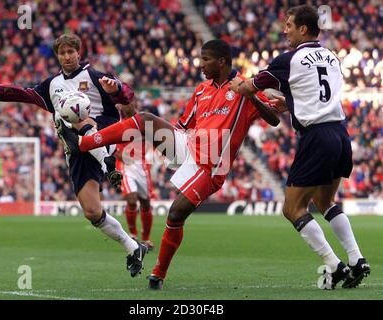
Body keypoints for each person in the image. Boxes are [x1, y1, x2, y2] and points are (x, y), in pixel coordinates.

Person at [58, 39, 283, 290]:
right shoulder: (201, 90)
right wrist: (157, 140)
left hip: (212, 165)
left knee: (176, 214)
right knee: (144, 120)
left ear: (221, 61)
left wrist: (250, 94)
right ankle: (85, 142)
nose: (201, 65)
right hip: (188, 147)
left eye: (206, 59)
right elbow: (182, 127)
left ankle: (157, 274)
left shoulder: (244, 86)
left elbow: (274, 119)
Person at [0, 34, 147, 277]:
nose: (67, 57)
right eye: (62, 53)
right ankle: (133, 247)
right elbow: (26, 94)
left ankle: (108, 165)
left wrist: (116, 89)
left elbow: (127, 97)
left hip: (102, 135)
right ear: (58, 56)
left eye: (70, 52)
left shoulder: (95, 77)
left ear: (78, 52)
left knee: (74, 114)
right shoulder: (52, 85)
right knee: (92, 212)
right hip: (76, 150)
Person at [229, 5, 370, 289]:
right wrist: (291, 104)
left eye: (289, 25)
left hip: (316, 137)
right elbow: (316, 93)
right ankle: (356, 260)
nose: (285, 30)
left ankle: (335, 265)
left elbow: (249, 88)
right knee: (325, 202)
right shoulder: (332, 57)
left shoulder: (287, 60)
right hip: (340, 133)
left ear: (303, 29)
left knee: (292, 208)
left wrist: (236, 84)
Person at [116, 102, 155, 251]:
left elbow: (156, 138)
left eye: (128, 103)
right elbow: (110, 145)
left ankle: (146, 239)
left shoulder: (143, 121)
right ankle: (132, 235)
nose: (124, 107)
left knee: (145, 202)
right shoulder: (117, 121)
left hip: (142, 166)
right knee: (132, 200)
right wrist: (118, 155)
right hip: (125, 165)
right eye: (123, 104)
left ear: (134, 105)